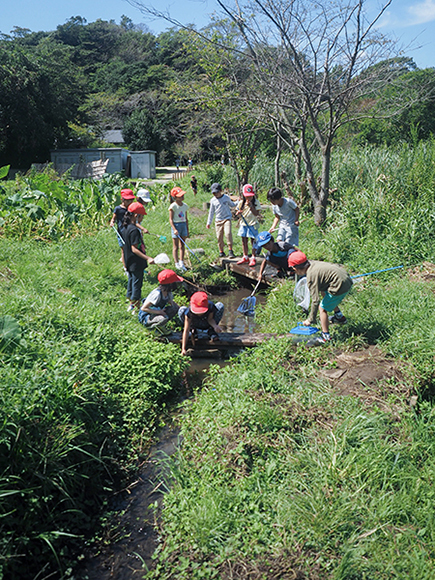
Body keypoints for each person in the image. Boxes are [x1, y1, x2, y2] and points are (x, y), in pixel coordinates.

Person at [288, 250, 352, 343]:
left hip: (340, 284)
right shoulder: (312, 263)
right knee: (324, 293)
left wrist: (310, 319)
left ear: (296, 268)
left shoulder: (311, 276)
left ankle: (325, 336)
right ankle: (339, 317)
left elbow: (315, 300)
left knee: (322, 308)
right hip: (345, 278)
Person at [121, 201, 155, 314]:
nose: (142, 219)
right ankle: (135, 308)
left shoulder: (126, 227)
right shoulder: (134, 230)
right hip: (136, 262)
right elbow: (134, 249)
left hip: (129, 261)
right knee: (137, 284)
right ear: (136, 215)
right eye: (142, 216)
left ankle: (130, 303)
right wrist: (148, 258)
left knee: (131, 281)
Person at [138, 269, 183, 334]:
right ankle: (153, 328)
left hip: (157, 313)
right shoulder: (157, 294)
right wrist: (159, 312)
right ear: (170, 284)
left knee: (174, 309)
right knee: (163, 318)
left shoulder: (168, 292)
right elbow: (144, 308)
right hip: (147, 316)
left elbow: (172, 303)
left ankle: (160, 325)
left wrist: (181, 309)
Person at [206, 183, 236, 258]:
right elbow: (211, 212)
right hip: (218, 221)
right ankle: (221, 251)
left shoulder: (226, 198)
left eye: (216, 192)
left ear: (221, 191)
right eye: (213, 193)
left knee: (228, 233)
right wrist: (208, 222)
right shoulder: (213, 200)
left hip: (227, 219)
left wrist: (239, 202)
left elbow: (232, 204)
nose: (215, 194)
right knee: (219, 237)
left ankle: (230, 250)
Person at [109, 188, 135, 273]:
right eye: (127, 200)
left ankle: (131, 264)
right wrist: (112, 222)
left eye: (131, 200)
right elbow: (113, 218)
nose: (129, 202)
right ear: (122, 199)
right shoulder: (118, 209)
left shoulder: (131, 208)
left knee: (132, 249)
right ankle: (126, 269)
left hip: (130, 231)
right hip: (121, 232)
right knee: (124, 250)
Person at [236, 184, 262, 267]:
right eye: (247, 197)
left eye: (250, 197)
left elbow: (256, 213)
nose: (248, 198)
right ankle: (245, 256)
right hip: (244, 224)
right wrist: (238, 213)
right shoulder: (241, 203)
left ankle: (253, 257)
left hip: (252, 224)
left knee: (253, 241)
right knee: (244, 240)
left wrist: (251, 207)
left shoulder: (256, 202)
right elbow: (238, 213)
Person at [169, 186, 189, 272]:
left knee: (182, 245)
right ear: (175, 197)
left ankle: (181, 262)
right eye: (180, 196)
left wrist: (187, 229)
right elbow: (170, 219)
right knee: (176, 246)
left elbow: (186, 218)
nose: (182, 197)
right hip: (176, 225)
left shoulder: (185, 206)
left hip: (183, 224)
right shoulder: (173, 206)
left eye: (182, 195)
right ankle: (176, 263)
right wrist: (174, 229)